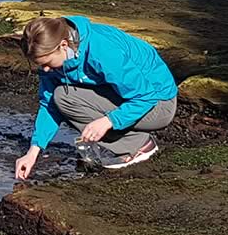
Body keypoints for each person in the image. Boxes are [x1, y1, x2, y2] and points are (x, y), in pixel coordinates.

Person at [13, 15, 178, 180]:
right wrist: (33, 151)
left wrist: (108, 121)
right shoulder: (58, 57)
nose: (46, 69)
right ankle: (126, 140)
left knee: (69, 100)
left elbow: (145, 96)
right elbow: (49, 104)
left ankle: (138, 146)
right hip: (123, 96)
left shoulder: (102, 51)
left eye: (47, 62)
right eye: (40, 65)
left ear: (63, 45)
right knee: (62, 97)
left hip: (158, 103)